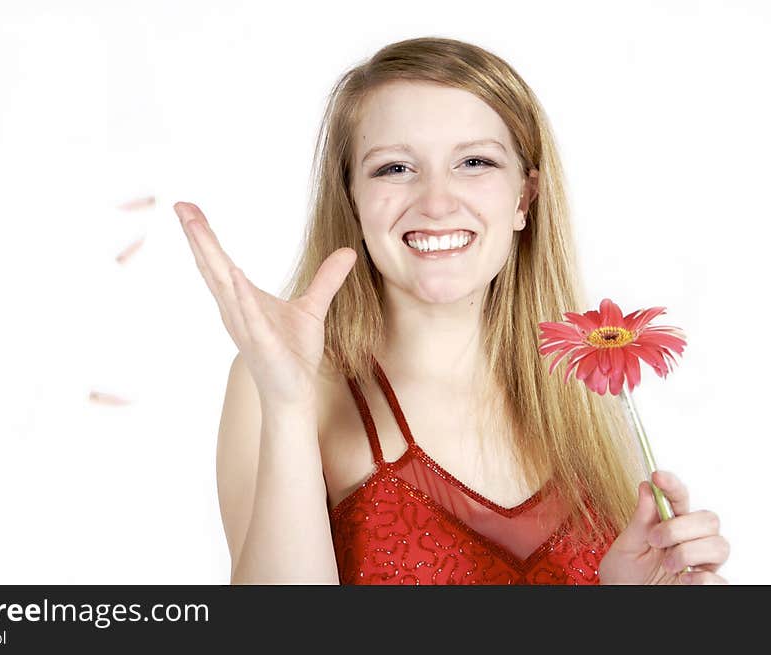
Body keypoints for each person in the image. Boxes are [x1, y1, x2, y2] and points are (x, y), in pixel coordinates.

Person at [174, 37, 730, 585]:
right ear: (351, 199)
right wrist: (288, 404)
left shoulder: (585, 385)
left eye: (474, 162)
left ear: (524, 198)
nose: (437, 202)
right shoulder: (283, 386)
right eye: (394, 168)